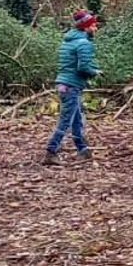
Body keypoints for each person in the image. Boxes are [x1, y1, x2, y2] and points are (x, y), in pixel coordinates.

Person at [44, 9, 102, 165]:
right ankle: (51, 151)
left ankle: (83, 151)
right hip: (72, 86)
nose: (96, 28)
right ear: (86, 27)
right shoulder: (84, 43)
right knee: (66, 121)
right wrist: (95, 72)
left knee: (76, 120)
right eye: (94, 25)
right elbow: (83, 67)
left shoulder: (68, 41)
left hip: (65, 84)